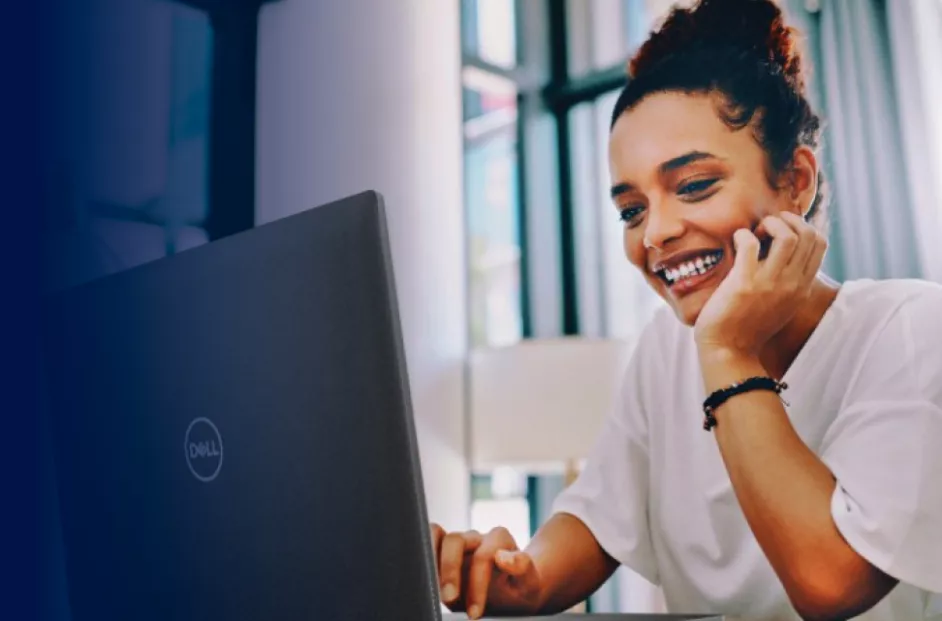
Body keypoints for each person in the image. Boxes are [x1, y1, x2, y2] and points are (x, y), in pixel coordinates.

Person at [430, 0, 942, 619]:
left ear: (797, 181)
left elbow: (830, 583)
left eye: (694, 185)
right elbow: (592, 523)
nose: (655, 234)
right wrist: (510, 577)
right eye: (631, 209)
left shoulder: (910, 328)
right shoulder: (664, 350)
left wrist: (728, 351)